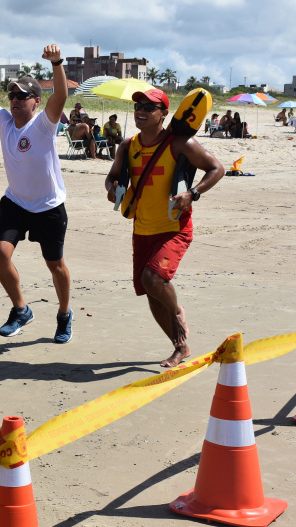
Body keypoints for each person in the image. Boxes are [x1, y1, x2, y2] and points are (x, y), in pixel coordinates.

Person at [0, 38, 74, 343]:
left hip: (48, 206)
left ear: (35, 101)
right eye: (12, 95)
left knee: (55, 265)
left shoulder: (45, 124)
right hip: (16, 203)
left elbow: (61, 93)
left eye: (23, 95)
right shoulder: (4, 121)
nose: (15, 99)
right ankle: (21, 309)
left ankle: (64, 314)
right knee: (0, 253)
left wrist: (57, 63)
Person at [104, 88, 224, 366]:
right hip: (142, 229)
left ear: (164, 114)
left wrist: (192, 193)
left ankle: (177, 311)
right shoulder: (127, 146)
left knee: (153, 279)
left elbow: (217, 169)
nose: (141, 111)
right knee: (151, 292)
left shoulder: (180, 143)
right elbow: (111, 177)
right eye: (138, 107)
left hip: (174, 228)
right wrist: (112, 189)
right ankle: (180, 347)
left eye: (149, 107)